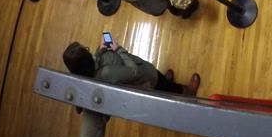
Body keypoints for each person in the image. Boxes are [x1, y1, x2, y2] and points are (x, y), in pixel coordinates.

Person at [63, 40, 200, 96]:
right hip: (146, 77)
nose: (90, 51)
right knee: (164, 85)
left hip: (145, 75)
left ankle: (167, 83)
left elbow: (96, 61)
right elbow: (135, 72)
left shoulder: (89, 70)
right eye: (87, 52)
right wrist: (118, 49)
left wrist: (100, 51)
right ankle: (187, 91)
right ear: (86, 62)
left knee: (163, 82)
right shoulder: (107, 72)